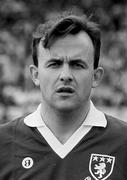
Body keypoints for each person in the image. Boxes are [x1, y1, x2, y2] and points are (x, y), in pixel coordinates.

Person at [0, 11, 127, 180]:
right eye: (54, 64)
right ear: (35, 75)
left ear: (96, 76)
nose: (65, 75)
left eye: (77, 65)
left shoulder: (123, 142)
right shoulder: (3, 143)